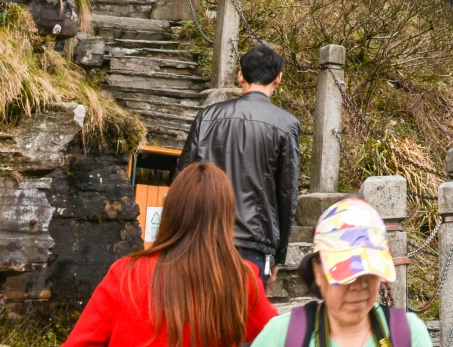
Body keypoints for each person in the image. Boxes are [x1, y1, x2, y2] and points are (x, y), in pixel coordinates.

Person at [63, 162, 276, 347]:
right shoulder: (240, 280)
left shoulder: (126, 274)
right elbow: (282, 335)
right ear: (226, 218)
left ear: (171, 211)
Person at [178, 43, 300, 288]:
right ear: (278, 78)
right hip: (254, 243)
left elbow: (183, 178)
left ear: (240, 75)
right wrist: (279, 255)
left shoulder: (207, 116)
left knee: (200, 318)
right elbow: (287, 194)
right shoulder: (286, 125)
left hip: (204, 239)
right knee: (246, 321)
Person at [251, 197, 431, 347]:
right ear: (318, 271)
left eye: (370, 272)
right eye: (347, 274)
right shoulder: (281, 336)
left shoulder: (408, 334)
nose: (360, 285)